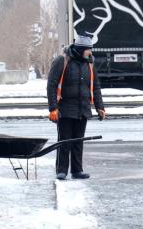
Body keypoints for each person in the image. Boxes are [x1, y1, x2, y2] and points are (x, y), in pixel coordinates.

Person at [47, 35, 106, 180]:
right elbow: (51, 85)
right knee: (65, 141)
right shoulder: (63, 61)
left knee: (78, 142)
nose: (90, 52)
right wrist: (53, 108)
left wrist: (100, 107)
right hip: (65, 108)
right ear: (80, 49)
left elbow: (95, 87)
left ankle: (76, 170)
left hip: (83, 108)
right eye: (88, 49)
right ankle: (61, 170)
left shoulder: (89, 63)